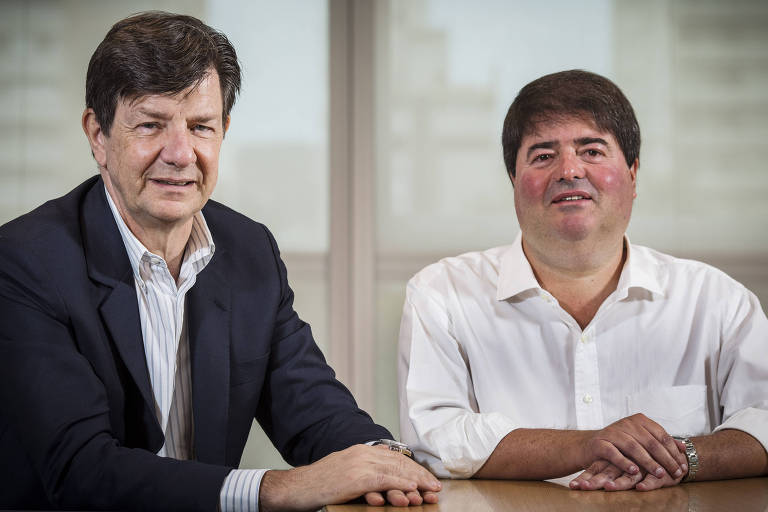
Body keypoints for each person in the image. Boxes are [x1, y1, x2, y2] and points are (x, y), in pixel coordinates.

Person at [0, 11, 440, 511]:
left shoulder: (249, 250)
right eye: (151, 125)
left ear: (224, 130)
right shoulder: (25, 262)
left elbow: (314, 409)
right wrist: (280, 489)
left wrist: (384, 461)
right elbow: (82, 472)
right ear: (97, 134)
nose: (181, 153)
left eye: (201, 126)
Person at [398, 69, 768, 492]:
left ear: (632, 173)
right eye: (542, 155)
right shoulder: (443, 294)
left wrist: (679, 457)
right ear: (514, 183)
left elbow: (764, 421)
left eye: (592, 151)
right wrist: (590, 445)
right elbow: (434, 438)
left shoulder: (716, 300)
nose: (569, 170)